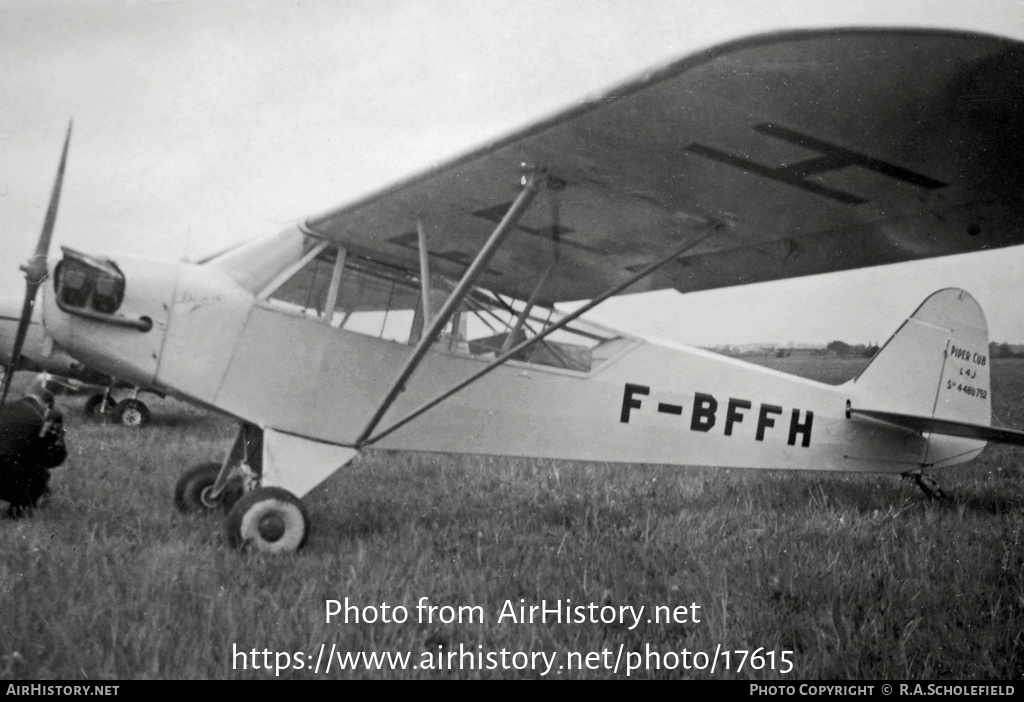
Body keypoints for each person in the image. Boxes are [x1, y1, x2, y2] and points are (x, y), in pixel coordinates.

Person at [0, 375, 68, 518]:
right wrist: (59, 440)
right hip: (12, 478)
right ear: (47, 405)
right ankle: (20, 508)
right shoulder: (43, 417)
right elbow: (52, 459)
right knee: (40, 472)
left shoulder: (4, 407)